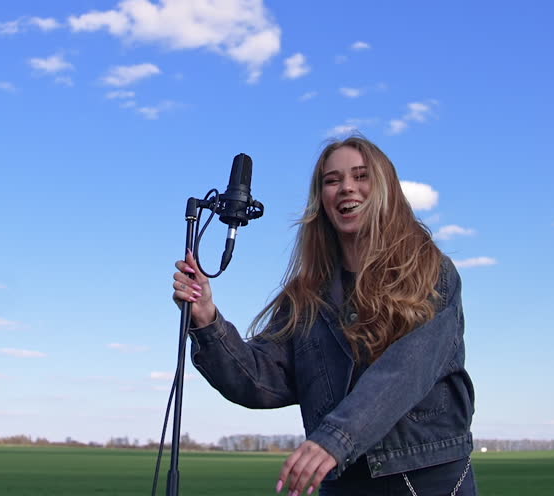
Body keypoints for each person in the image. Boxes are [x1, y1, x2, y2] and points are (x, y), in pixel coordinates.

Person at [171, 136, 478, 496]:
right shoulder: (306, 296)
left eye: (361, 176)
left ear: (386, 191)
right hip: (341, 480)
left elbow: (405, 371)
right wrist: (206, 319)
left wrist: (335, 439)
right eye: (332, 181)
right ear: (322, 200)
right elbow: (261, 381)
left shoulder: (430, 272)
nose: (347, 187)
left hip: (424, 475)